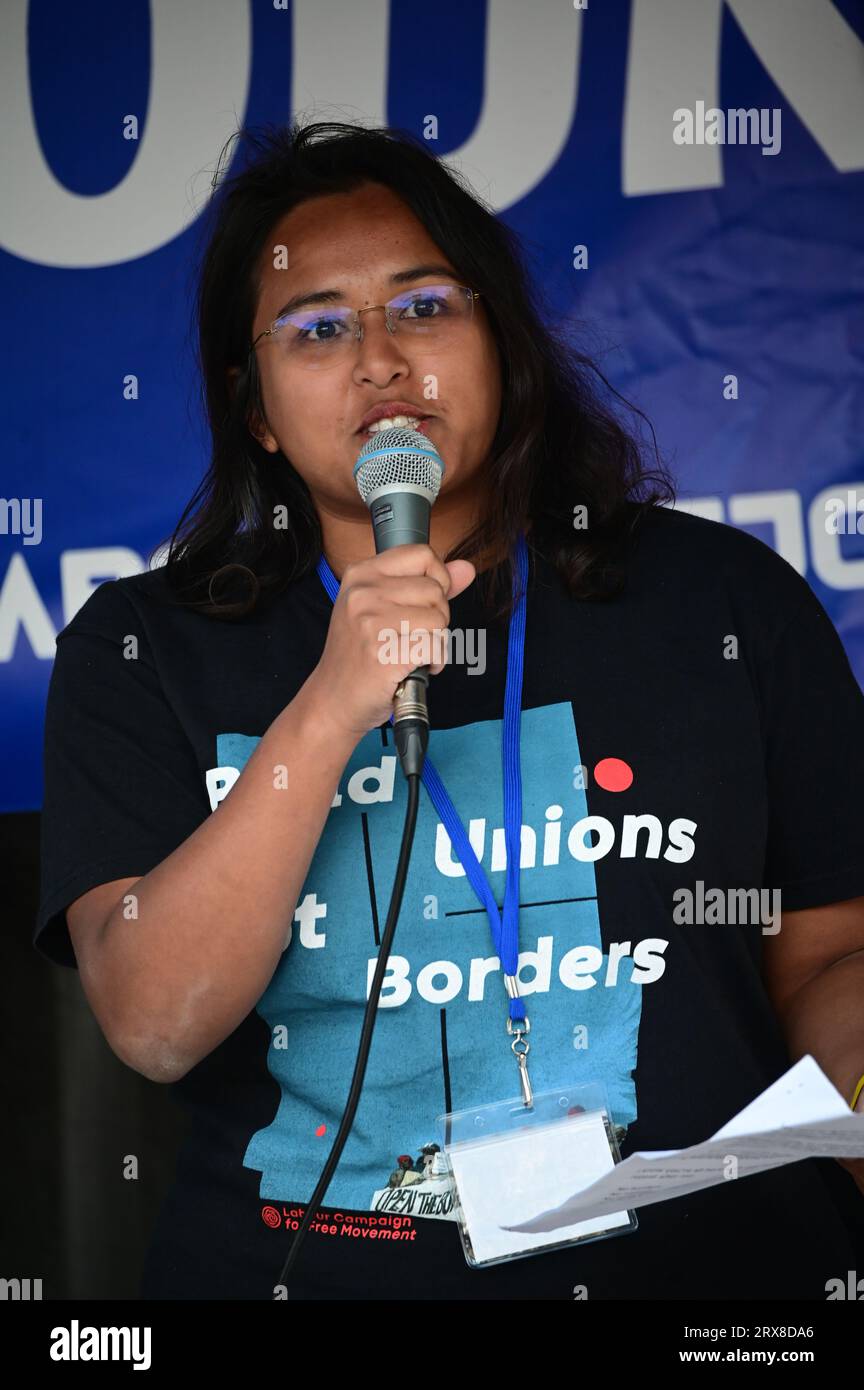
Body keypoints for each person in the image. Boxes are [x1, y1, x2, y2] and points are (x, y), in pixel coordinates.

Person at [35, 120, 864, 1301]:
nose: (379, 360)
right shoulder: (143, 647)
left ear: (504, 342)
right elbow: (156, 1021)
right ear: (256, 405)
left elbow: (829, 957)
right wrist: (330, 705)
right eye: (317, 327)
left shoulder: (720, 603)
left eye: (424, 307)